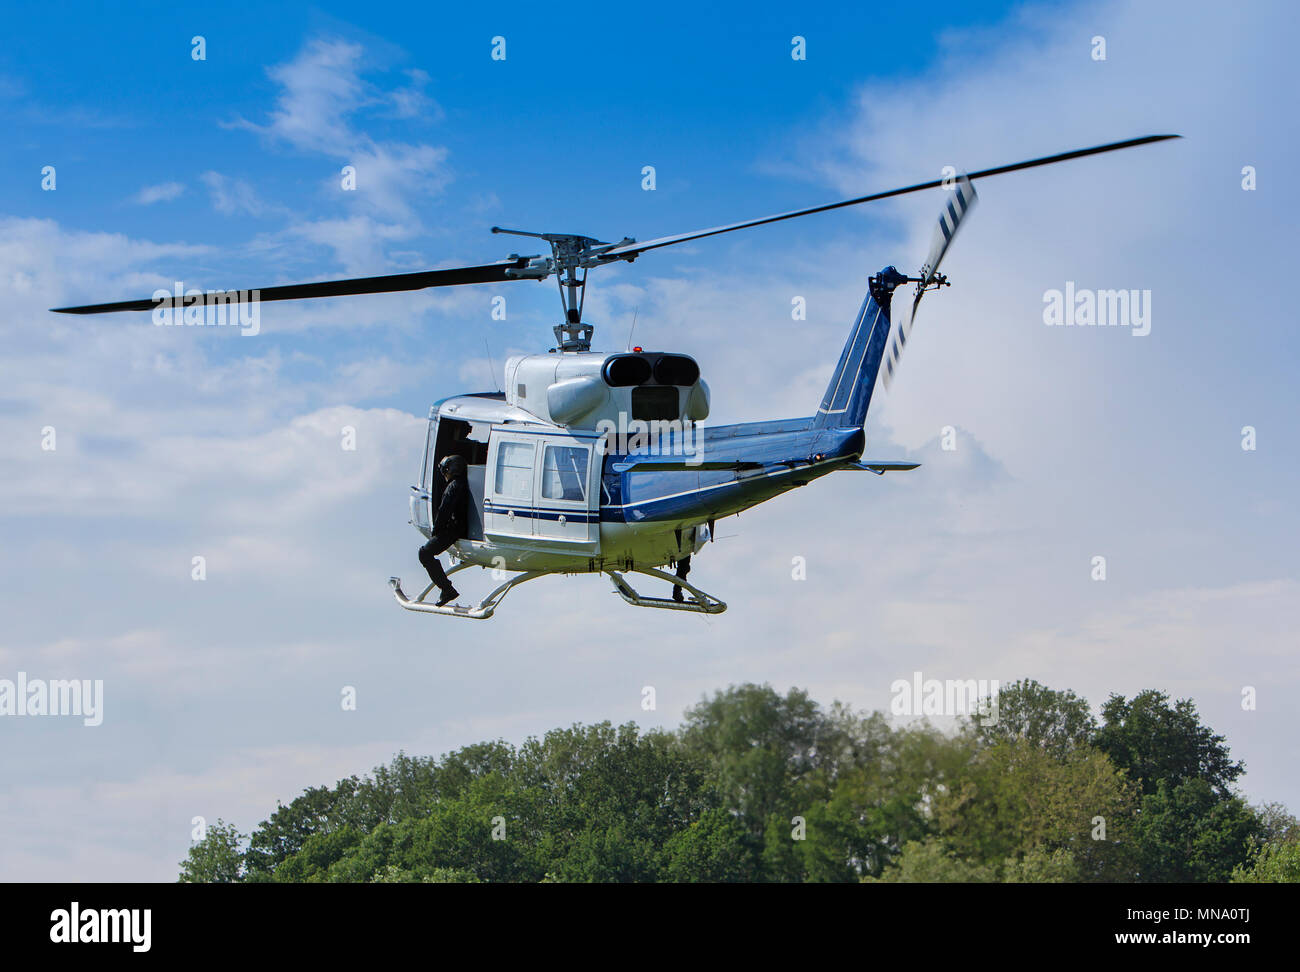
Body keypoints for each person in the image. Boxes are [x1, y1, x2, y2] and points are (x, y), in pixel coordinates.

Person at [418, 454, 469, 606]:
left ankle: (447, 589)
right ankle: (446, 588)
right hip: (460, 527)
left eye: (445, 471)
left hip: (454, 530)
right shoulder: (464, 483)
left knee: (424, 553)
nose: (444, 475)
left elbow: (444, 510)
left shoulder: (453, 486)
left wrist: (436, 531)